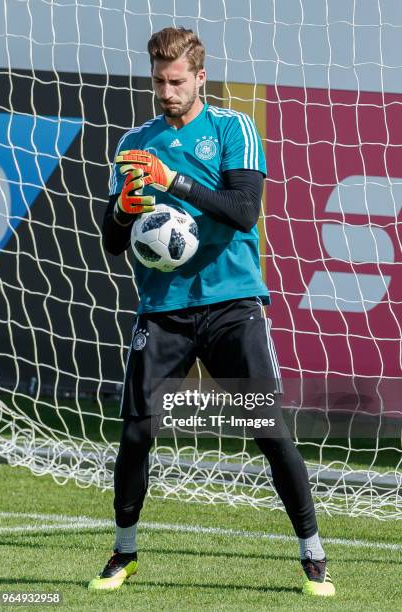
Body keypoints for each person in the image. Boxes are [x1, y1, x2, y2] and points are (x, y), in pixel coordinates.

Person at [88, 27, 335, 597]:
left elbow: (244, 211)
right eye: (158, 81)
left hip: (232, 306)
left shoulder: (233, 128)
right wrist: (125, 210)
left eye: (177, 81)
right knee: (136, 431)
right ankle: (123, 551)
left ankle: (313, 553)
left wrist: (173, 180)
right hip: (163, 310)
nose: (167, 91)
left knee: (267, 429)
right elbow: (111, 240)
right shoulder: (133, 145)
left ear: (200, 76)